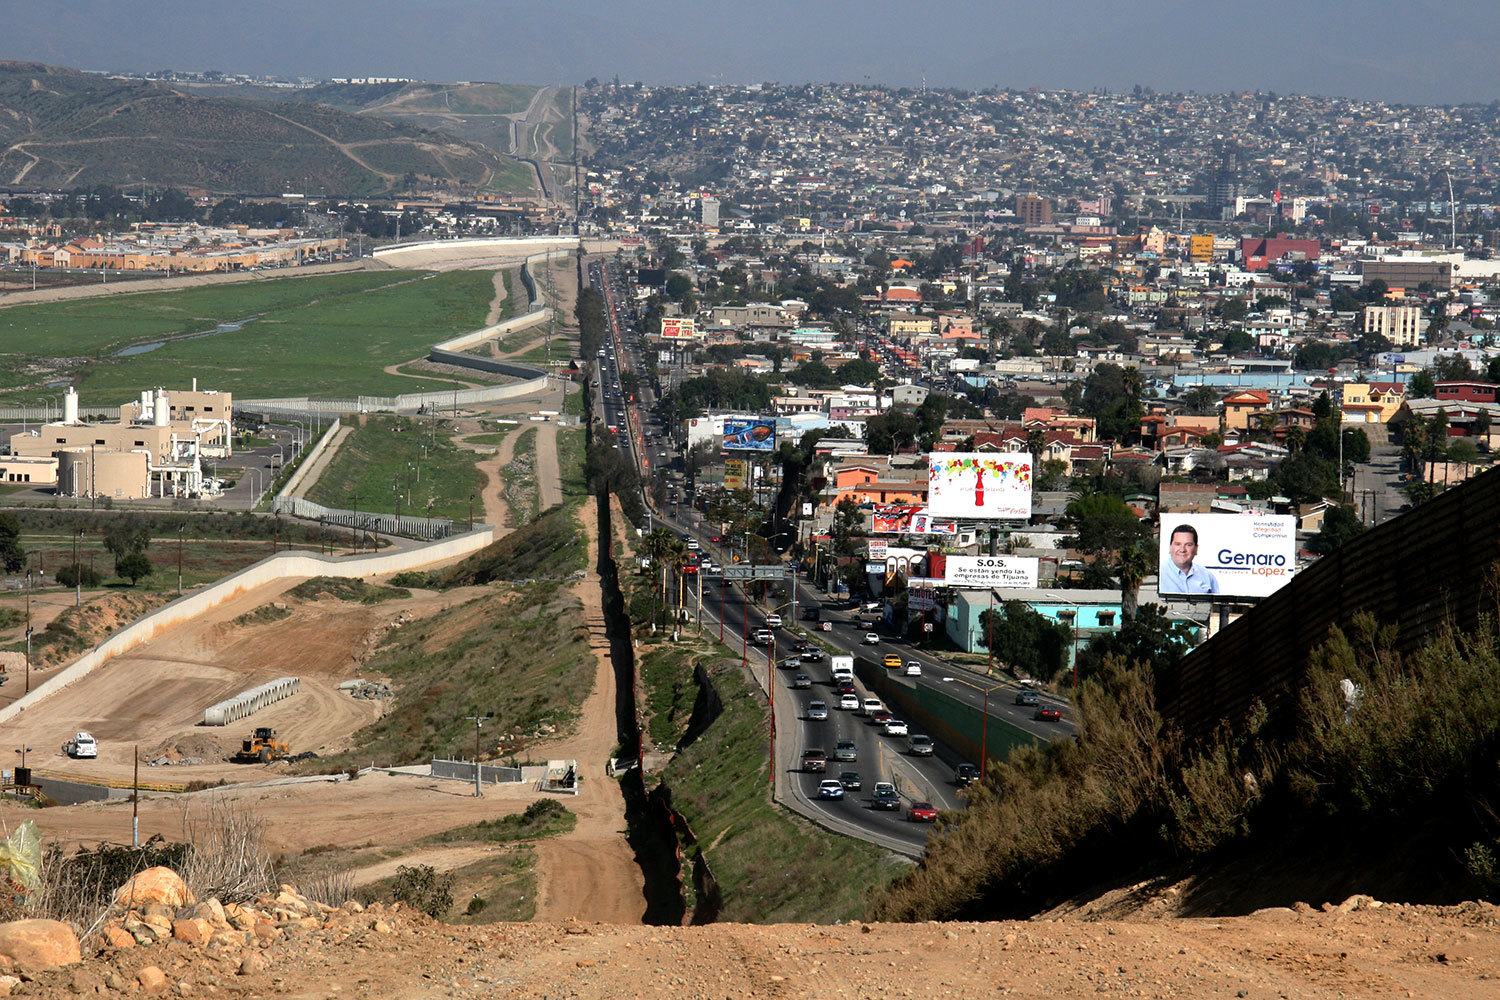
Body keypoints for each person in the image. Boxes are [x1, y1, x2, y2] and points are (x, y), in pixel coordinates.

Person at [1161, 523, 1218, 595]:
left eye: (1188, 545)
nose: (1182, 549)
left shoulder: (1207, 576)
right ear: (1170, 547)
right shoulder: (1160, 574)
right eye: (1178, 544)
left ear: (1196, 549)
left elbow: (1217, 604)